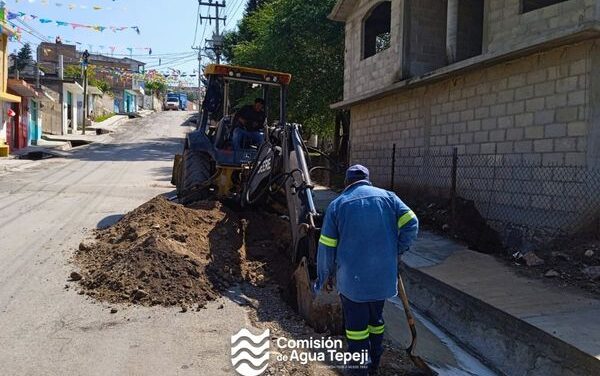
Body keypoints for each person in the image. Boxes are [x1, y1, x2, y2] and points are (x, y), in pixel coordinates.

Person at [314, 165, 419, 376]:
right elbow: (412, 222)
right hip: (382, 280)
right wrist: (397, 249)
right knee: (376, 321)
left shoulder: (338, 205)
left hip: (353, 283)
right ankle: (374, 363)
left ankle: (357, 371)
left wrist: (323, 277)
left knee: (356, 330)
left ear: (347, 182)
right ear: (368, 180)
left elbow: (326, 246)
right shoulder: (389, 198)